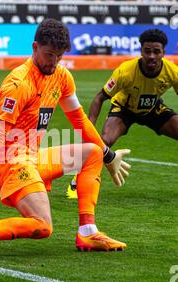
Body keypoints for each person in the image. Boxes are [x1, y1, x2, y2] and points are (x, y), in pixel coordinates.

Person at [0, 19, 131, 259]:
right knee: (42, 225)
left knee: (92, 152)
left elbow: (79, 120)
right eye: (50, 55)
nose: (54, 62)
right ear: (34, 47)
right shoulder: (18, 84)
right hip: (8, 163)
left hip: (30, 157)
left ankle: (88, 232)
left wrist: (108, 155)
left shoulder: (61, 76)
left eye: (59, 56)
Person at [66, 28, 178, 199]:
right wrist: (87, 130)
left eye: (156, 51)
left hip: (152, 109)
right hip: (124, 109)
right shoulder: (125, 71)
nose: (152, 56)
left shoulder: (172, 72)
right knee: (103, 142)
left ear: (163, 52)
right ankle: (78, 180)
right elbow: (99, 98)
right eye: (147, 51)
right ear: (141, 51)